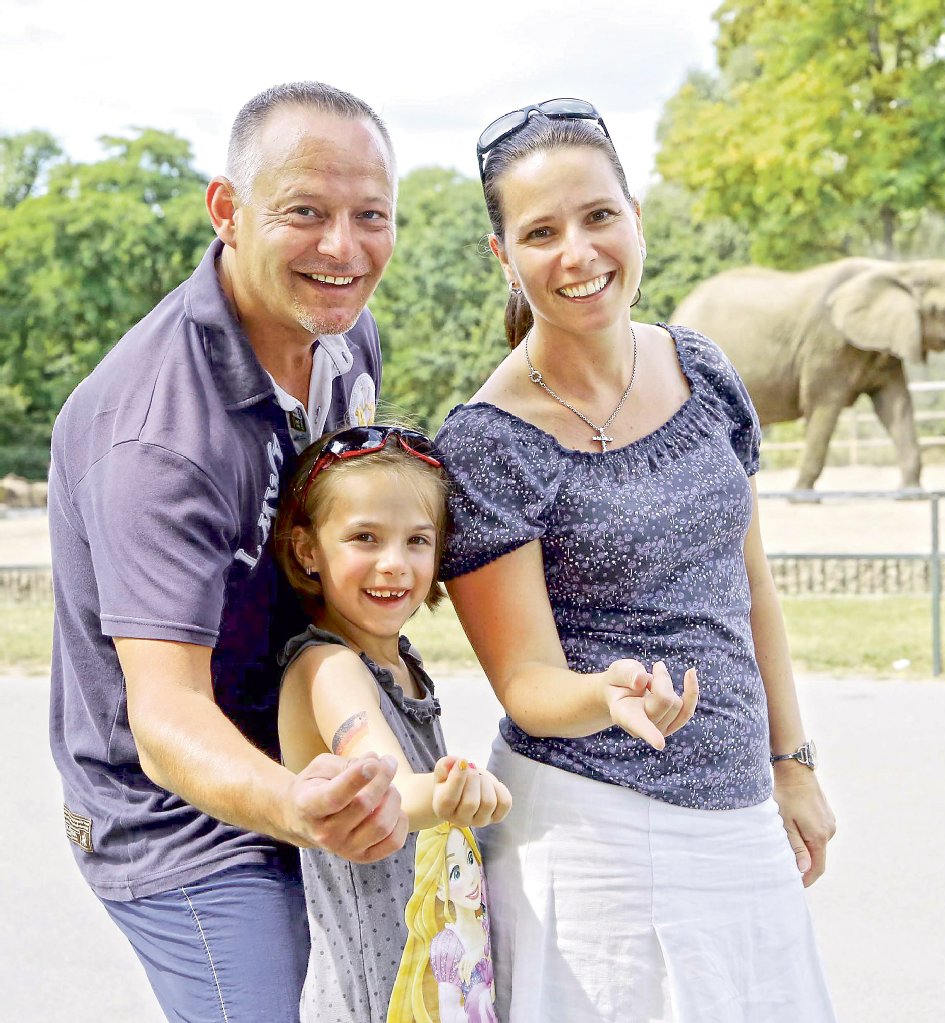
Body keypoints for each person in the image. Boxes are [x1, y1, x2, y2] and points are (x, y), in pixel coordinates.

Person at [434, 98, 838, 1020]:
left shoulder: (703, 367)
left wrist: (792, 760)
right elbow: (526, 679)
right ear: (503, 255)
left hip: (739, 815)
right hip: (593, 833)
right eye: (541, 231)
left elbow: (750, 590)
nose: (577, 254)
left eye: (598, 216)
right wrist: (602, 693)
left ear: (636, 216)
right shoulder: (488, 442)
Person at [47, 82, 409, 1021]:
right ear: (227, 211)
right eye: (305, 212)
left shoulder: (343, 331)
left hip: (302, 748)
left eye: (371, 215)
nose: (343, 247)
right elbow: (165, 715)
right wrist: (298, 805)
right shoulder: (157, 434)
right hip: (173, 815)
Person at [273, 426, 510, 1022]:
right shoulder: (329, 668)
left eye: (417, 541)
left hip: (429, 974)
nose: (395, 564)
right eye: (364, 538)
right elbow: (391, 791)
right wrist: (454, 789)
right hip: (371, 986)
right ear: (306, 550)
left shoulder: (402, 662)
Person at [389, 823, 498, 1023]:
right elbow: (449, 1016)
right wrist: (477, 1000)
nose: (471, 878)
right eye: (455, 873)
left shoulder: (483, 920)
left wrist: (480, 954)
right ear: (438, 889)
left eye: (470, 858)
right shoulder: (448, 946)